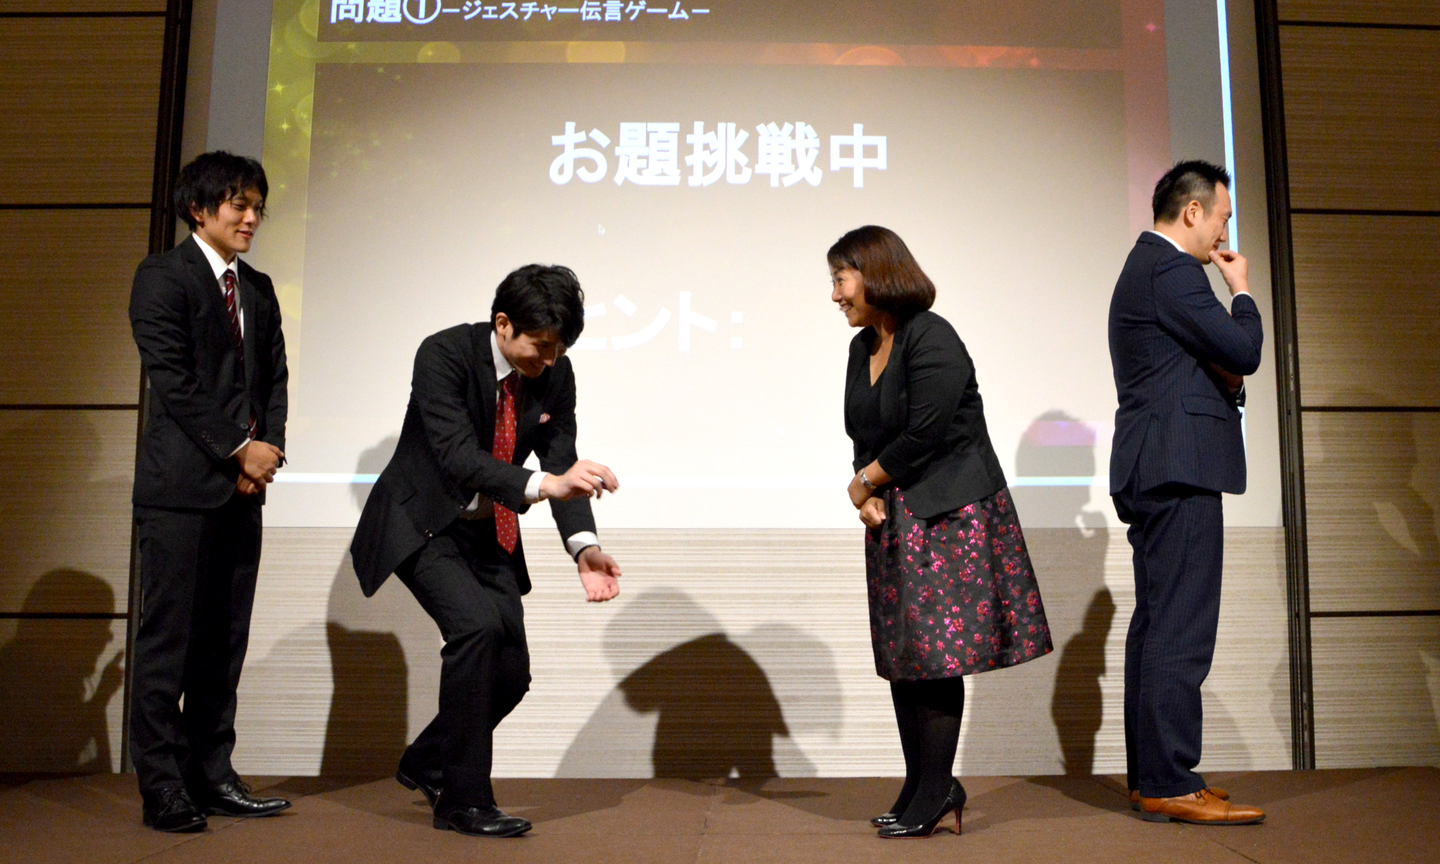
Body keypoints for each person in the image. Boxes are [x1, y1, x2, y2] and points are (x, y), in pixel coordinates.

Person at [350, 264, 623, 838]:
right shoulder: (444, 354)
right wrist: (545, 485)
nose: (550, 359)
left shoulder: (555, 371)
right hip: (423, 521)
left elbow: (561, 458)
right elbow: (456, 456)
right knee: (475, 628)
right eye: (541, 345)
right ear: (503, 324)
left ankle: (429, 762)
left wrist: (584, 546)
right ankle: (464, 801)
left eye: (561, 348)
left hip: (484, 529)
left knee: (510, 672)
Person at [831, 225, 1052, 839]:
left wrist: (864, 483)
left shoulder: (932, 335)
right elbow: (864, 432)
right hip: (896, 516)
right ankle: (922, 783)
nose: (835, 295)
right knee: (905, 656)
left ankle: (936, 788)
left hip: (951, 517)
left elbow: (926, 433)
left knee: (934, 655)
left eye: (841, 279)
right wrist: (868, 489)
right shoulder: (861, 347)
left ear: (875, 274)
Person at [128, 151, 292, 832]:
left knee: (224, 644)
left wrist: (266, 451)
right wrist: (236, 448)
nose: (251, 217)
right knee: (168, 643)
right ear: (199, 209)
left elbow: (274, 379)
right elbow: (174, 381)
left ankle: (213, 774)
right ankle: (163, 786)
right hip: (179, 492)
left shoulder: (258, 287)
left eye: (257, 206)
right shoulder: (162, 277)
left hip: (243, 492)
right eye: (238, 205)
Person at [1108, 160, 1265, 824]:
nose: (1225, 231)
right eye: (1223, 216)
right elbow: (1242, 349)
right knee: (1180, 627)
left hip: (1157, 463)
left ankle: (1154, 776)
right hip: (1178, 466)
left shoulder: (1148, 268)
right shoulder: (1172, 269)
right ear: (1193, 211)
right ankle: (1171, 780)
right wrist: (1242, 290)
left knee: (1157, 623)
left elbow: (1214, 367)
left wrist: (1226, 374)